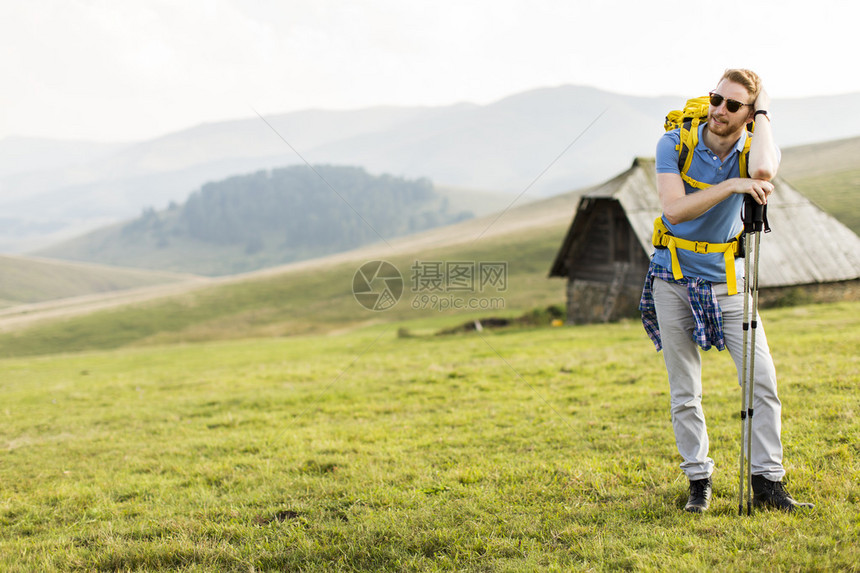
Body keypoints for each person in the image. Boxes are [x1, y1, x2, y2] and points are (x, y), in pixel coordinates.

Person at [639, 69, 813, 513]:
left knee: (762, 381)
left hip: (728, 283)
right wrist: (733, 186)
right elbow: (674, 212)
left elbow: (763, 170)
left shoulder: (752, 147)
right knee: (685, 390)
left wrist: (765, 112)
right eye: (717, 98)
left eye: (734, 105)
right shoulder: (675, 142)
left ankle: (768, 483)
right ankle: (699, 480)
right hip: (671, 278)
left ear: (749, 114)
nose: (719, 110)